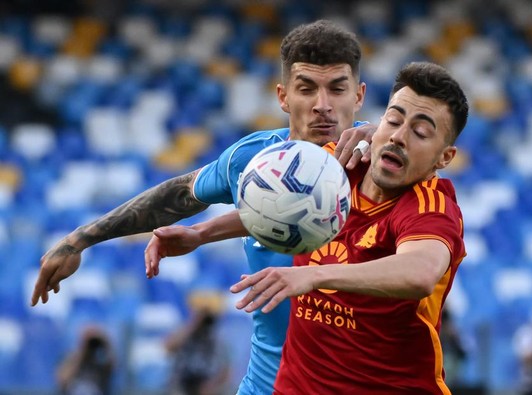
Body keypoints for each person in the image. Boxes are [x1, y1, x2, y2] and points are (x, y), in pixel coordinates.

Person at [32, 19, 374, 395]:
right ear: (283, 96)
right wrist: (77, 241)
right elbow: (178, 195)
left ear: (358, 96)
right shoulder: (254, 160)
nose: (322, 106)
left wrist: (387, 139)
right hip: (268, 386)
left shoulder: (385, 165)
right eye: (306, 89)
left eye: (337, 89)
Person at [151, 62, 470, 394]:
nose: (399, 137)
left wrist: (316, 275)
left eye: (420, 133)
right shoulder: (332, 167)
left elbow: (419, 271)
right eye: (393, 120)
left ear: (444, 158)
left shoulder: (430, 207)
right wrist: (201, 234)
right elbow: (277, 207)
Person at [166, 293, 231, 395]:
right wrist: (194, 323)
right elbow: (169, 347)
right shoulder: (185, 332)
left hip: (208, 383)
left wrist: (212, 386)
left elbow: (226, 370)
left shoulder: (220, 337)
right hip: (183, 383)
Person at [56, 326, 115, 395]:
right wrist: (82, 350)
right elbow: (62, 379)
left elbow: (113, 364)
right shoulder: (72, 361)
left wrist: (104, 341)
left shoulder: (100, 365)